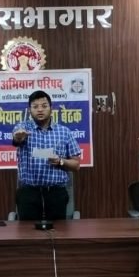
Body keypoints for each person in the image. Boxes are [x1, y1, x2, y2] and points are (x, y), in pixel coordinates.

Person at [11, 90, 82, 221]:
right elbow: (16, 139)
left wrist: (61, 161)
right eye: (35, 106)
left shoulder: (64, 132)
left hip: (56, 193)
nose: (40, 110)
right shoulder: (23, 128)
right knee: (27, 231)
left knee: (58, 231)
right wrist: (18, 138)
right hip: (29, 193)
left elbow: (76, 165)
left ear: (51, 108)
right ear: (29, 110)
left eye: (44, 106)